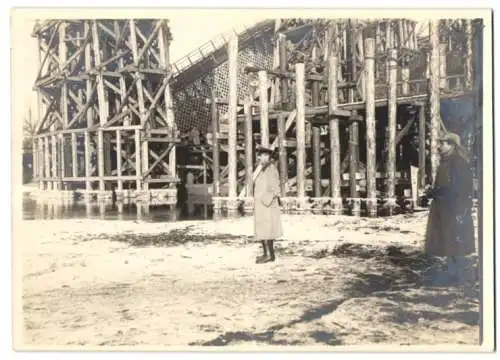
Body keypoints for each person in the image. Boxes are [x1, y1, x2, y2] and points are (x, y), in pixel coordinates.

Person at [424, 131, 475, 285]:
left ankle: (458, 276)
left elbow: (460, 188)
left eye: (443, 143)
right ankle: (454, 273)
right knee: (449, 239)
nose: (440, 146)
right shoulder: (448, 160)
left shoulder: (457, 162)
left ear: (452, 145)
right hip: (445, 207)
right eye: (440, 143)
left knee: (455, 240)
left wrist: (461, 208)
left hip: (453, 207)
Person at [253, 145, 283, 264]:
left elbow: (275, 188)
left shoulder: (271, 169)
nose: (264, 157)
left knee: (267, 230)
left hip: (267, 205)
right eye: (262, 155)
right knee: (263, 230)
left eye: (266, 155)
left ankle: (269, 255)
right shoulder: (261, 168)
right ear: (259, 156)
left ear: (269, 157)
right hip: (262, 205)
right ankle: (267, 254)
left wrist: (265, 200)